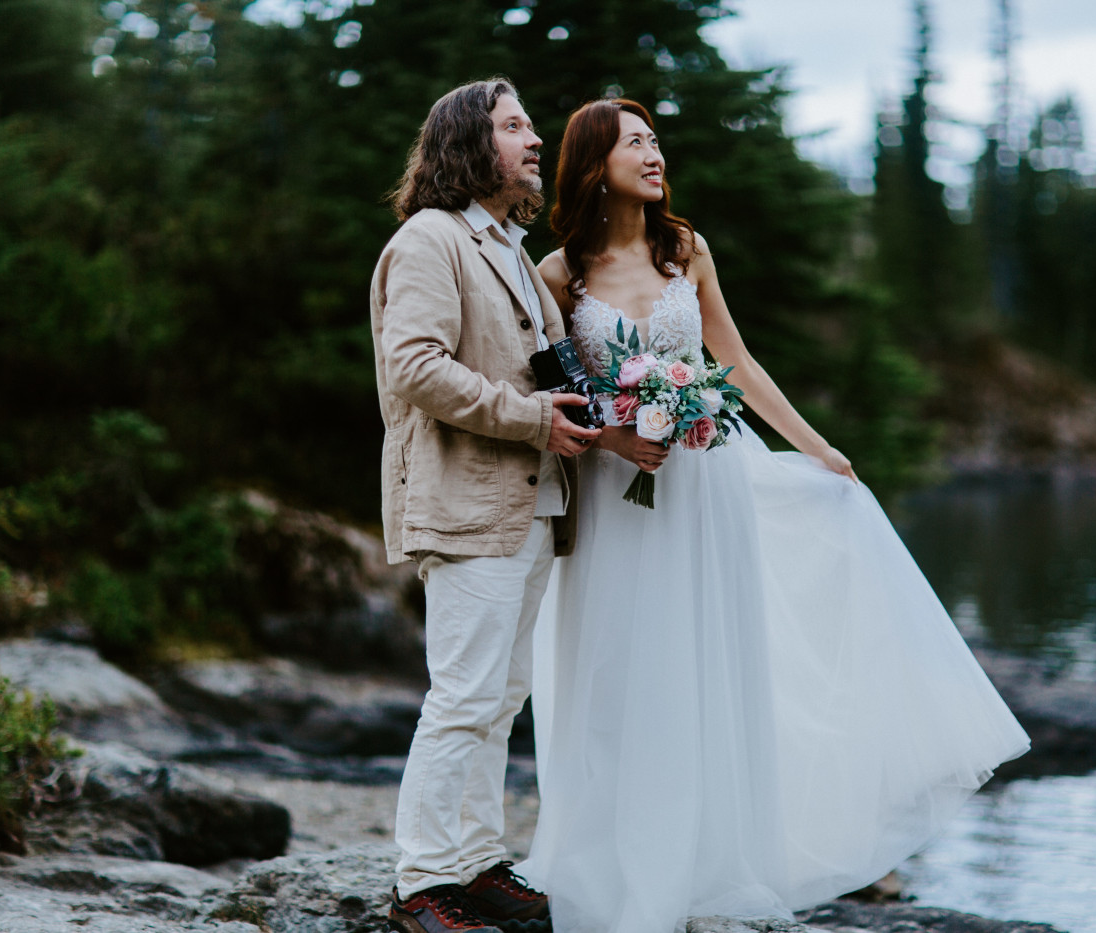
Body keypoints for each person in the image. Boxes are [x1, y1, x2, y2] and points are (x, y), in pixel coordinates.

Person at [515, 99, 1031, 933]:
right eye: (634, 144)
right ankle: (615, 865)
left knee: (705, 657)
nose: (653, 155)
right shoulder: (560, 272)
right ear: (593, 161)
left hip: (706, 484)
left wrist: (819, 448)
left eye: (655, 141)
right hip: (617, 496)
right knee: (619, 668)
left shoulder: (685, 248)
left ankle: (709, 857)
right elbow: (550, 385)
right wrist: (612, 440)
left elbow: (735, 361)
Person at [370, 78, 601, 933]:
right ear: (470, 144)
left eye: (531, 125)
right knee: (462, 695)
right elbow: (416, 367)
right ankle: (421, 883)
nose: (534, 139)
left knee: (502, 696)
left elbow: (540, 364)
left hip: (533, 505)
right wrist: (533, 419)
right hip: (468, 501)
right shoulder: (432, 241)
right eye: (513, 127)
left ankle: (474, 859)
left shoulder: (505, 243)